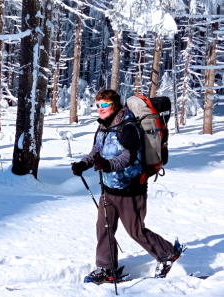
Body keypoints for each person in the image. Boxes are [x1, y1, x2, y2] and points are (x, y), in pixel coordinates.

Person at [71, 89, 184, 284]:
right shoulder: (104, 127)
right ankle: (107, 268)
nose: (100, 109)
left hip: (131, 190)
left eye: (104, 105)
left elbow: (128, 157)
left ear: (114, 105)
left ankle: (168, 253)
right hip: (108, 189)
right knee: (103, 228)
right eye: (98, 105)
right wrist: (83, 164)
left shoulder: (128, 127)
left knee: (136, 231)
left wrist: (107, 165)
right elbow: (95, 152)